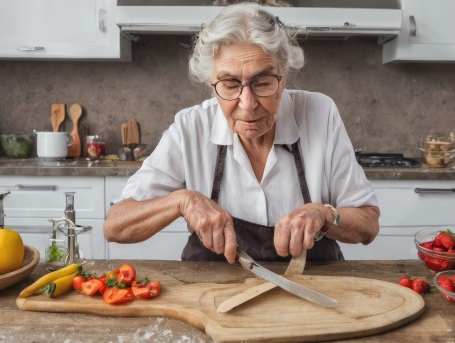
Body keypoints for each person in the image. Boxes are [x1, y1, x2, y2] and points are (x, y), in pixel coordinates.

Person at [104, 2, 380, 264]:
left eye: (262, 82)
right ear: (211, 84)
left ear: (283, 74)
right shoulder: (191, 127)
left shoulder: (320, 113)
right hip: (213, 297)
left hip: (312, 290)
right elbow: (115, 225)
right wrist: (182, 201)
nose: (247, 105)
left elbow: (368, 224)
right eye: (229, 84)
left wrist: (325, 215)